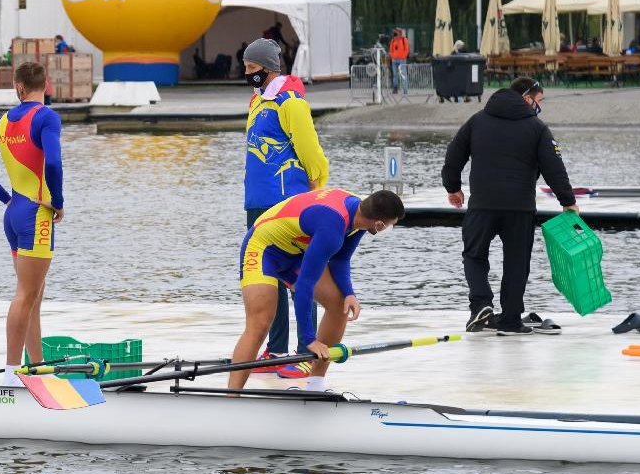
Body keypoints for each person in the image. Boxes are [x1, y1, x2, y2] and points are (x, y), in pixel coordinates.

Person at [229, 189, 405, 393]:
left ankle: (315, 384)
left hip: (295, 249)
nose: (388, 229)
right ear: (379, 225)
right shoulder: (333, 226)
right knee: (260, 323)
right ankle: (232, 396)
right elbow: (305, 285)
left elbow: (341, 259)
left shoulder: (359, 215)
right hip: (263, 248)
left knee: (340, 304)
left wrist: (349, 293)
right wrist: (310, 340)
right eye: (390, 225)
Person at [442, 78, 577, 336]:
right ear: (527, 97)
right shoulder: (536, 128)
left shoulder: (477, 121)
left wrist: (453, 188)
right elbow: (554, 167)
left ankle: (481, 304)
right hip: (519, 208)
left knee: (474, 255)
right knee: (516, 262)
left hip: (482, 204)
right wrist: (568, 202)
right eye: (538, 101)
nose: (539, 107)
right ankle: (511, 321)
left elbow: (453, 154)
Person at [0, 62, 64, 386]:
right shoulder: (47, 117)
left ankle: (34, 366)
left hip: (13, 214)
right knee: (26, 295)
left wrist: (4, 198)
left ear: (18, 86)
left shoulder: (3, 122)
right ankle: (11, 375)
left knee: (33, 295)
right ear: (45, 85)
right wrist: (59, 202)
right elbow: (52, 161)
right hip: (37, 215)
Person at [242, 38, 329, 378]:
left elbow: (310, 148)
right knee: (267, 276)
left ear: (268, 68)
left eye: (252, 69)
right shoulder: (257, 101)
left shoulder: (289, 102)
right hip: (258, 203)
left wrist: (317, 183)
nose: (247, 73)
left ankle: (308, 351)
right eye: (246, 68)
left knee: (297, 276)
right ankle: (276, 350)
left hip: (287, 202)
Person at [389, 28, 410, 96]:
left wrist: (403, 56)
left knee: (403, 74)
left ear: (399, 33)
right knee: (395, 75)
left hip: (402, 59)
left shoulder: (404, 40)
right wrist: (392, 56)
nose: (394, 34)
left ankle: (405, 90)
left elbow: (407, 49)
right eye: (394, 32)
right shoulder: (393, 40)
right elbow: (391, 49)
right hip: (394, 60)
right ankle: (395, 88)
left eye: (396, 32)